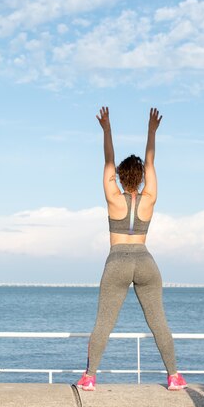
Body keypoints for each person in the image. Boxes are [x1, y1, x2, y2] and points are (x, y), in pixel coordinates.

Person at [76, 106, 187, 391]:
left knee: (104, 323)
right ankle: (174, 377)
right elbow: (151, 164)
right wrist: (151, 132)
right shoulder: (149, 197)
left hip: (117, 262)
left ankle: (90, 377)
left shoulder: (113, 196)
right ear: (140, 178)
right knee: (159, 322)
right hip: (146, 261)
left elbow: (108, 161)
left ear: (120, 177)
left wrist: (107, 129)